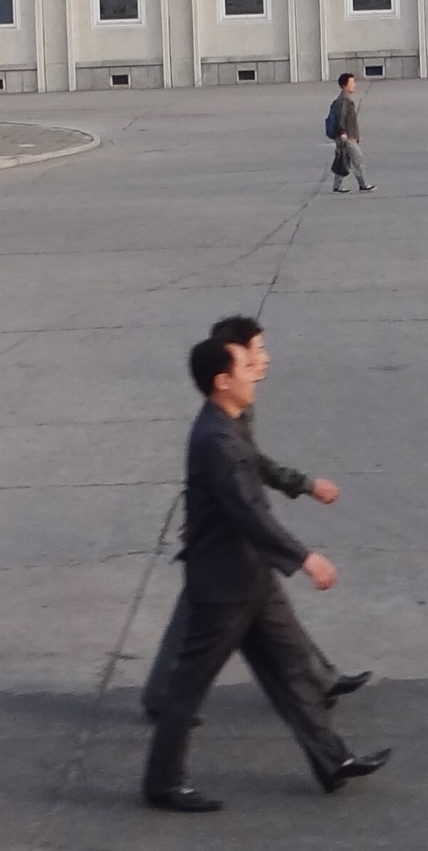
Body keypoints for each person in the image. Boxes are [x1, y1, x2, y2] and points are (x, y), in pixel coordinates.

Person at [142, 336, 390, 812]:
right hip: (223, 586)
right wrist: (304, 558)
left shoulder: (230, 426)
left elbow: (260, 477)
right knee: (188, 690)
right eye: (244, 365)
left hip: (251, 577)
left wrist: (304, 489)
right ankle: (162, 784)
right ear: (221, 380)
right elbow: (248, 511)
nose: (255, 371)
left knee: (295, 670)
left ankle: (332, 760)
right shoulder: (215, 439)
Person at [330, 72, 374, 193]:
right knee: (357, 159)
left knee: (343, 159)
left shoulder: (344, 99)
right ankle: (363, 184)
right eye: (352, 82)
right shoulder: (344, 100)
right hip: (346, 136)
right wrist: (343, 132)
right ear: (344, 85)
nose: (354, 85)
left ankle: (337, 186)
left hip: (347, 135)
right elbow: (341, 117)